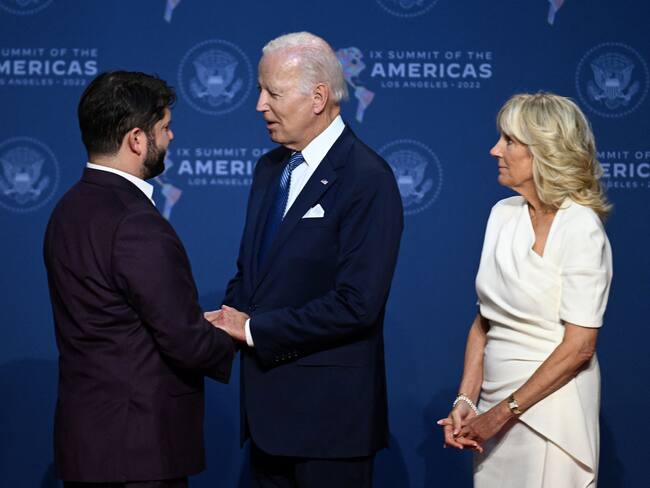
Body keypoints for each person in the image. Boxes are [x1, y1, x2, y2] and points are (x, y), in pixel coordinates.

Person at [206, 32, 403, 488]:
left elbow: (358, 303)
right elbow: (251, 275)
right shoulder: (268, 169)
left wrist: (253, 331)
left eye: (272, 93)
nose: (259, 105)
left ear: (318, 97)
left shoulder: (367, 178)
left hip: (330, 427)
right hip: (265, 420)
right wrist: (218, 326)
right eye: (260, 90)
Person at [43, 71, 235, 488]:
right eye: (164, 128)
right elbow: (182, 339)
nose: (170, 138)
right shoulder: (135, 222)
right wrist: (236, 333)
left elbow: (119, 319)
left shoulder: (67, 210)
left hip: (87, 448)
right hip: (139, 454)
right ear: (136, 139)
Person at [437, 93, 613, 487]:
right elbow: (484, 323)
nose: (495, 149)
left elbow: (580, 346)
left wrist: (499, 414)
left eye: (509, 141)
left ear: (544, 151)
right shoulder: (502, 215)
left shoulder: (580, 227)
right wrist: (467, 401)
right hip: (494, 412)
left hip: (553, 409)